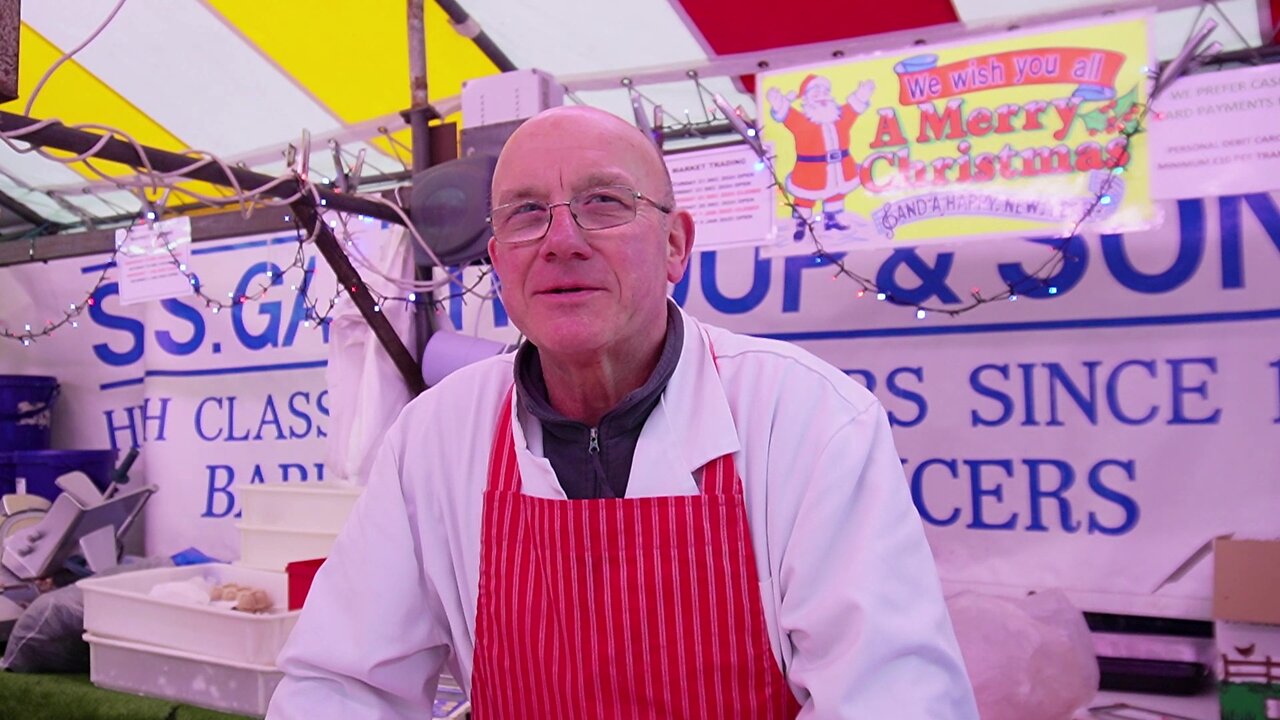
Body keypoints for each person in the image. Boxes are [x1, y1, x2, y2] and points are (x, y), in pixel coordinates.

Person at [268, 106, 978, 719]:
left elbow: (891, 697)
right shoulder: (433, 438)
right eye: (524, 214)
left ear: (675, 246)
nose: (561, 239)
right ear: (498, 262)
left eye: (604, 202)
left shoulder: (809, 420)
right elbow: (344, 685)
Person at [767, 73, 875, 240]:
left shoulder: (839, 118)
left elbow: (852, 109)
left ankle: (831, 220)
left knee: (836, 194)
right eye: (816, 93)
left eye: (825, 92)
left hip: (841, 168)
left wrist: (861, 95)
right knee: (804, 198)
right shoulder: (802, 121)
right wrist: (779, 103)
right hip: (811, 171)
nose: (822, 96)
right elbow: (787, 115)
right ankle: (802, 224)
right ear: (807, 99)